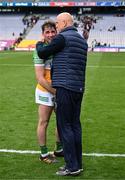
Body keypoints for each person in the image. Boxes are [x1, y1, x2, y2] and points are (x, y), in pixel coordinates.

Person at [36, 12, 88, 176]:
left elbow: (42, 53)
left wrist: (38, 43)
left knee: (65, 126)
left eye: (57, 24)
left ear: (64, 22)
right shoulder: (81, 39)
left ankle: (71, 167)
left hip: (64, 87)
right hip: (78, 88)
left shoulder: (62, 37)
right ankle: (77, 164)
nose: (56, 27)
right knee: (75, 126)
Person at [33, 20, 63, 164]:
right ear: (43, 34)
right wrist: (54, 91)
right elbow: (40, 78)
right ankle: (44, 154)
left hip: (58, 89)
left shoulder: (58, 45)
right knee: (44, 122)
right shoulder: (39, 49)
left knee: (61, 121)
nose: (50, 35)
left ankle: (58, 149)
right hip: (45, 91)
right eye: (47, 32)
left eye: (53, 31)